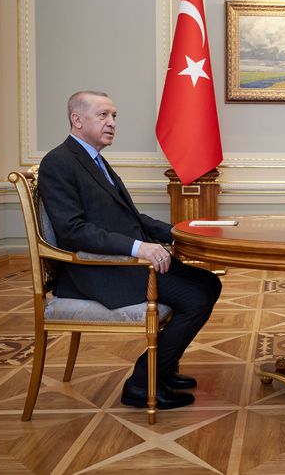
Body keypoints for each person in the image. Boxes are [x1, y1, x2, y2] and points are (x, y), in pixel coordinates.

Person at [39, 90, 222, 410]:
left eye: (114, 116)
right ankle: (143, 380)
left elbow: (131, 218)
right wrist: (141, 248)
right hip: (97, 271)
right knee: (195, 297)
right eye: (103, 116)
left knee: (209, 283)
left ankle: (162, 370)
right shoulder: (58, 162)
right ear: (77, 120)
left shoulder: (94, 160)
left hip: (125, 261)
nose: (112, 123)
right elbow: (72, 231)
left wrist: (185, 232)